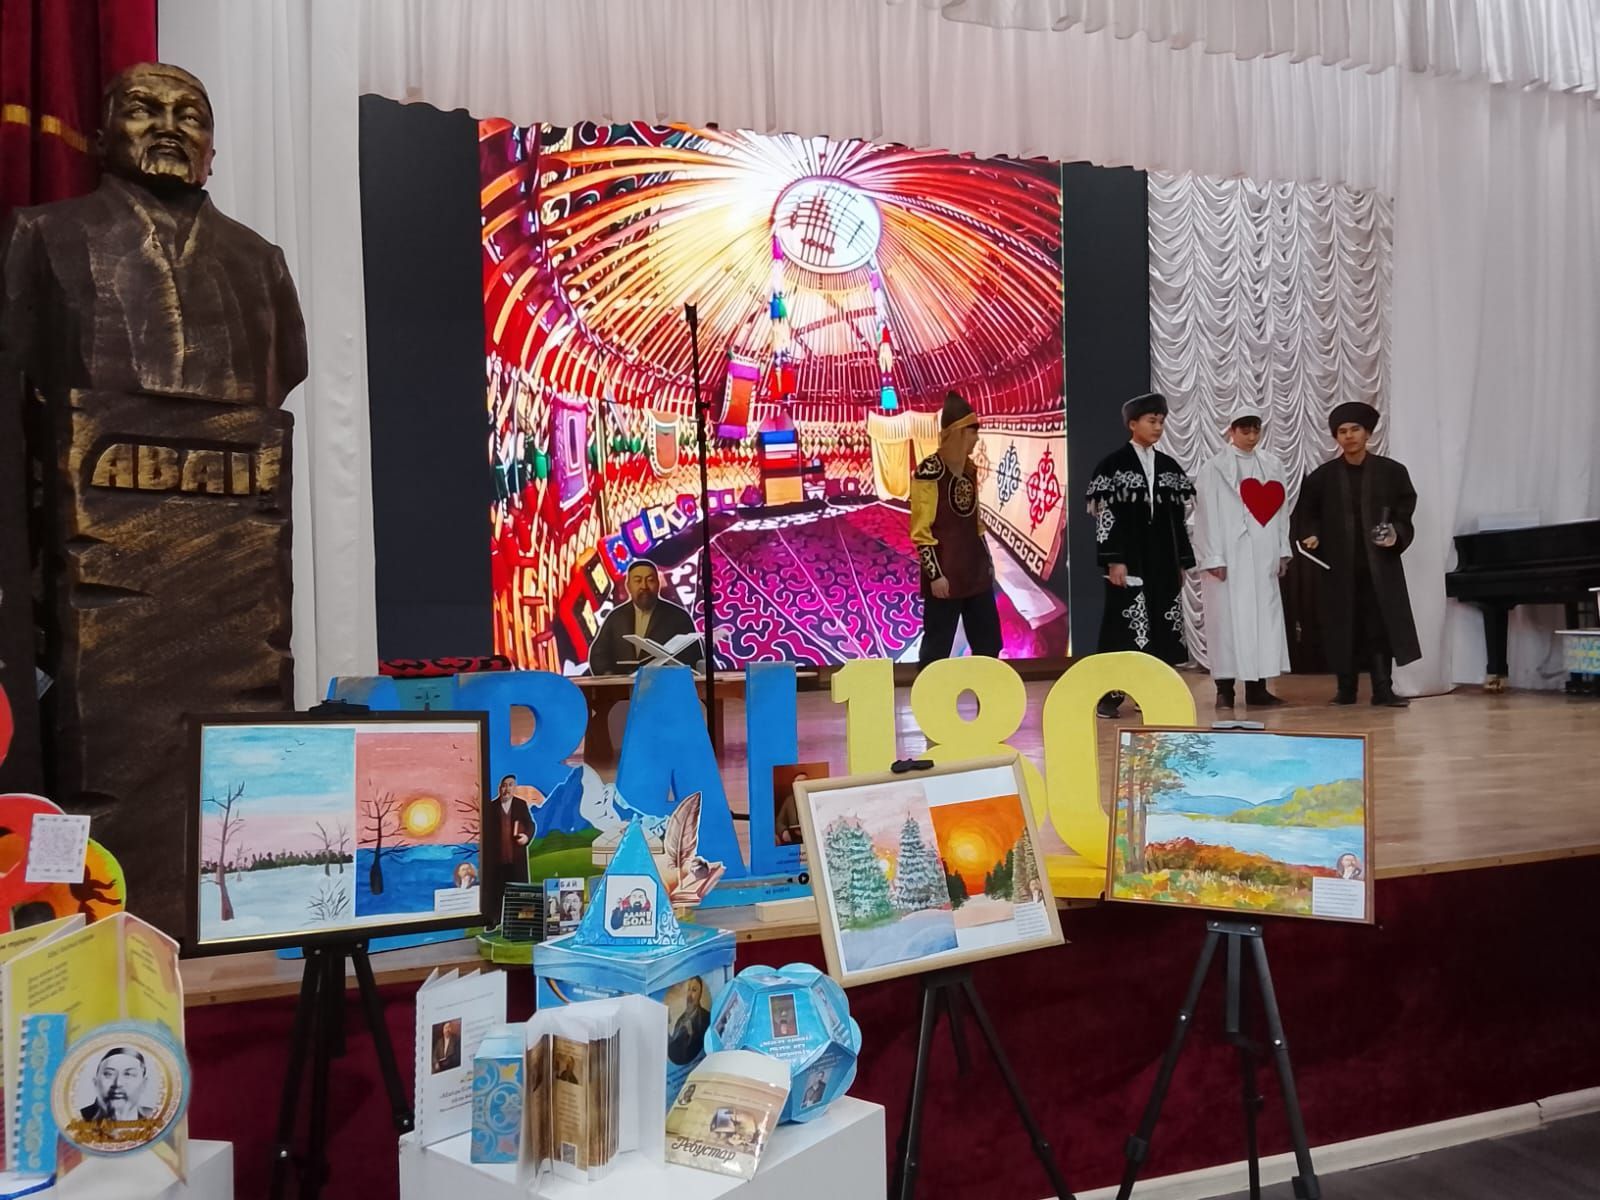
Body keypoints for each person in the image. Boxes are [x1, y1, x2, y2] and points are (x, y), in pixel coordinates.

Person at [1292, 401, 1420, 707]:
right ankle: (1345, 690)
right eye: (1342, 431)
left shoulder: (1392, 472)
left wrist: (1395, 534)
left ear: (1368, 433)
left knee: (1380, 626)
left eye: (1355, 429)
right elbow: (1306, 514)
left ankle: (1383, 689)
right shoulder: (1321, 477)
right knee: (1342, 627)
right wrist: (1311, 533)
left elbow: (1404, 512)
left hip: (1379, 566)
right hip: (1339, 568)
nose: (1349, 436)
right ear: (1336, 437)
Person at [1085, 393, 1196, 718]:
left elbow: (1178, 521)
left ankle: (1150, 692)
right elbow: (1106, 517)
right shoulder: (1112, 466)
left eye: (1161, 421)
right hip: (1129, 559)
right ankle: (1109, 697)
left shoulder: (1169, 468)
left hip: (1162, 561)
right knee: (1123, 625)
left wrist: (1181, 562)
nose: (1158, 427)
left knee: (1161, 623)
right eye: (1151, 421)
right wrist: (1114, 559)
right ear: (1132, 424)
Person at [1193, 411, 1292, 708]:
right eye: (1245, 431)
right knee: (1226, 623)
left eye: (1255, 431)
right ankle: (1224, 690)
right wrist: (1213, 556)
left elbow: (1281, 512)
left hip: (1262, 556)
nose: (1251, 437)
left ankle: (1258, 688)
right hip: (1229, 556)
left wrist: (1281, 550)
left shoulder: (1272, 465)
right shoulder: (1214, 468)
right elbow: (1206, 514)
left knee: (1263, 622)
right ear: (1232, 431)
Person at [910, 391, 1000, 665]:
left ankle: (986, 693)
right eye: (972, 433)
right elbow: (921, 531)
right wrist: (935, 575)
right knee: (936, 649)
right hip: (945, 575)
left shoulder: (969, 469)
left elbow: (976, 523)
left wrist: (987, 561)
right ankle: (929, 693)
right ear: (959, 433)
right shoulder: (930, 472)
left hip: (975, 572)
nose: (976, 439)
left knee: (989, 643)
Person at [588, 559, 703, 675]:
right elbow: (598, 654)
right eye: (638, 581)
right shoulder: (616, 617)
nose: (644, 586)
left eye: (650, 580)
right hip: (622, 684)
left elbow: (693, 658)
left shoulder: (679, 616)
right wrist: (609, 677)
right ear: (628, 586)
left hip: (665, 683)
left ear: (658, 584)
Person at [79, 1047, 156, 1123]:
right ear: (95, 1083)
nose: (118, 1083)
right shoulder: (78, 1118)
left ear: (143, 1084)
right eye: (109, 1074)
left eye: (128, 1074)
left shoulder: (156, 1118)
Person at [495, 774, 535, 886]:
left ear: (514, 788)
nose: (507, 789)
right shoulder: (491, 807)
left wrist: (526, 837)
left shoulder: (521, 805)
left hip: (517, 860)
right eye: (504, 785)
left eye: (510, 785)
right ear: (499, 788)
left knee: (519, 890)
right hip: (497, 862)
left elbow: (530, 825)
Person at [667, 976, 712, 1065]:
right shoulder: (681, 1019)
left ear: (700, 994)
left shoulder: (706, 1017)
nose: (689, 996)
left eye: (694, 990)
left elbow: (701, 1045)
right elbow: (674, 1047)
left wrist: (691, 1033)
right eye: (688, 990)